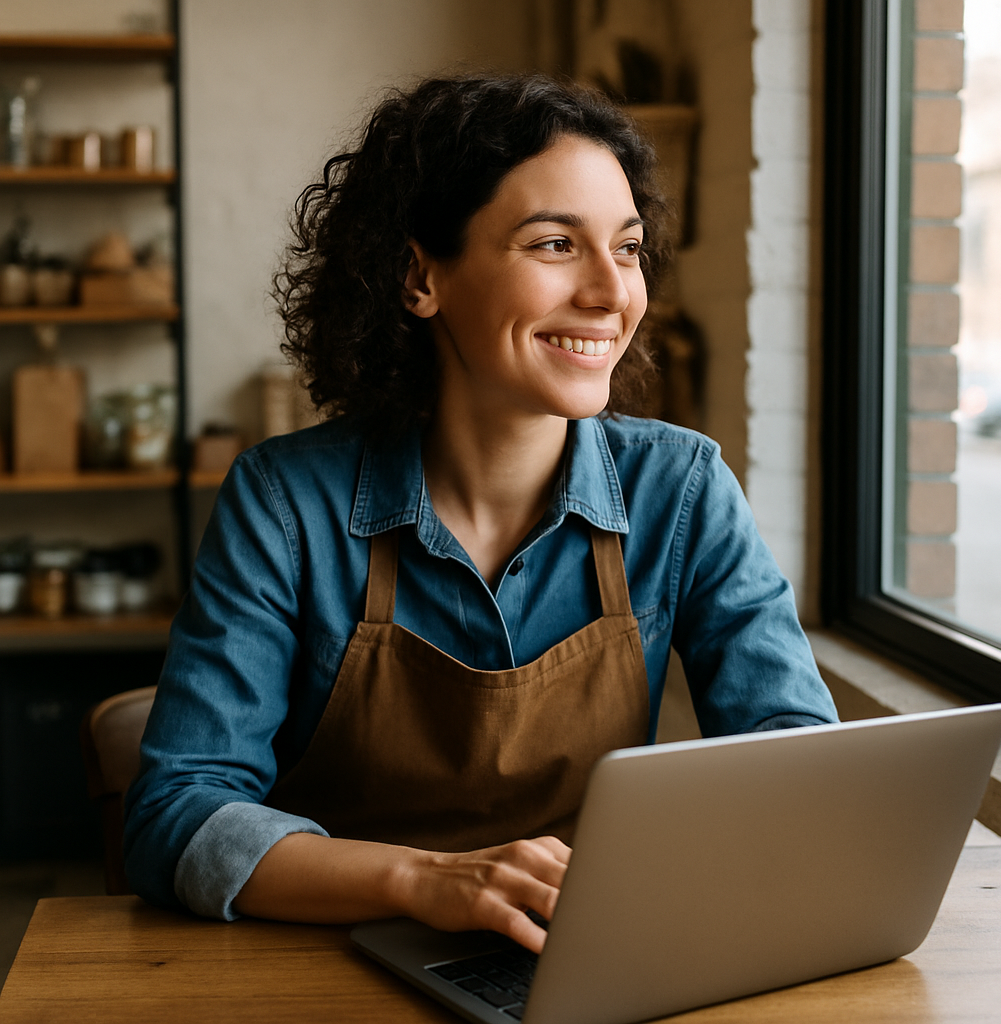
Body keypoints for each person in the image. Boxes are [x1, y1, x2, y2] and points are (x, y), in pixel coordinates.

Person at [124, 74, 838, 955]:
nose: (613, 293)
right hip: (332, 965)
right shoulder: (284, 504)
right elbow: (175, 816)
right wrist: (423, 879)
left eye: (629, 247)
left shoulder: (681, 489)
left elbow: (797, 762)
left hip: (582, 961)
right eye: (553, 245)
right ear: (421, 276)